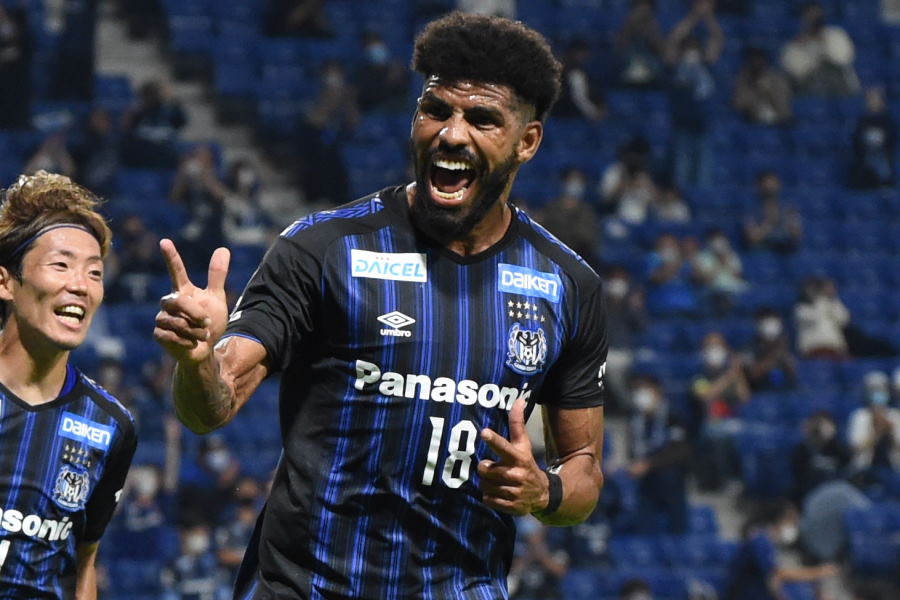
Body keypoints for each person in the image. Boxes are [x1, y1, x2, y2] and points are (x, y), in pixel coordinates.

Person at [153, 12, 606, 599]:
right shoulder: (324, 249)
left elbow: (584, 468)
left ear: (528, 141)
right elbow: (210, 408)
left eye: (482, 119)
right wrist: (197, 360)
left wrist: (544, 491)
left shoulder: (567, 286)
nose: (451, 134)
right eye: (435, 109)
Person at [0, 171, 137, 597]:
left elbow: (84, 562)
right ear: (6, 282)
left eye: (94, 273)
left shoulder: (111, 426)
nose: (80, 285)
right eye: (60, 265)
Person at [725, 501, 838, 600]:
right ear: (781, 520)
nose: (794, 526)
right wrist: (817, 572)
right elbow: (777, 575)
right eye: (792, 522)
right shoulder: (760, 540)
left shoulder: (768, 540)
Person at [627, 375, 691, 533]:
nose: (641, 394)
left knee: (677, 533)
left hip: (671, 484)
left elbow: (680, 450)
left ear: (658, 391)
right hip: (645, 487)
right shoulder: (635, 421)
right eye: (637, 390)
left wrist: (649, 464)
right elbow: (633, 451)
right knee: (646, 532)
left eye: (645, 389)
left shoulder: (673, 415)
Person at [780, 1, 859, 96]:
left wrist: (824, 43)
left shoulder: (836, 34)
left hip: (840, 84)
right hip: (811, 88)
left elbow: (844, 59)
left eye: (817, 16)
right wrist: (808, 48)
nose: (814, 20)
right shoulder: (795, 44)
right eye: (810, 16)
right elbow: (797, 72)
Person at [743, 171, 802, 254]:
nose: (770, 187)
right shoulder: (751, 210)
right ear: (759, 186)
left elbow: (797, 235)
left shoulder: (788, 209)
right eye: (766, 184)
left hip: (785, 251)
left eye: (773, 184)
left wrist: (788, 225)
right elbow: (752, 238)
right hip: (760, 252)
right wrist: (769, 224)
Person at [849, 87, 896, 189]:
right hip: (864, 164)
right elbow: (856, 142)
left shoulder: (888, 121)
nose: (873, 102)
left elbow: (891, 141)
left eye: (876, 98)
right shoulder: (861, 121)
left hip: (883, 159)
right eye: (870, 99)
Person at [733, 47, 793, 126]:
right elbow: (738, 104)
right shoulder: (743, 80)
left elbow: (783, 107)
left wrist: (768, 92)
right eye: (754, 63)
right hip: (752, 121)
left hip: (778, 119)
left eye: (760, 63)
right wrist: (753, 89)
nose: (757, 66)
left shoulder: (777, 80)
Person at [794, 276, 849, 360]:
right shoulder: (800, 309)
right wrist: (821, 300)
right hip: (813, 348)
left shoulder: (832, 304)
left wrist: (833, 300)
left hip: (835, 348)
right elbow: (815, 318)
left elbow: (843, 320)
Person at [743, 307, 796, 391]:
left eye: (774, 323)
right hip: (762, 391)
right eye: (767, 323)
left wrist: (784, 355)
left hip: (785, 392)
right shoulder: (751, 347)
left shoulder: (785, 344)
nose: (771, 327)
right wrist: (774, 356)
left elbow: (793, 372)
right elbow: (752, 374)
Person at [554, 39, 606, 123]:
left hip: (573, 118)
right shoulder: (573, 72)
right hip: (569, 118)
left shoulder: (580, 72)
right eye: (581, 53)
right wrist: (594, 113)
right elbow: (579, 99)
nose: (584, 56)